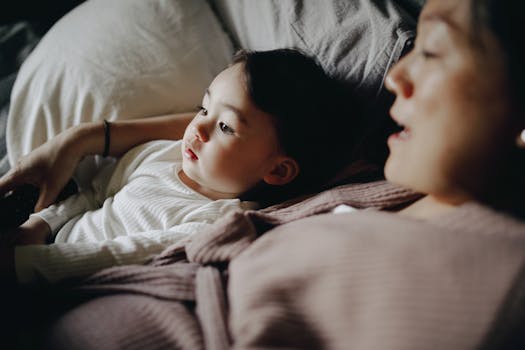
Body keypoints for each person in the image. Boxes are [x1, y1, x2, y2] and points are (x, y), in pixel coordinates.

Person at [0, 48, 360, 286]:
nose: (197, 127)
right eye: (204, 109)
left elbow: (118, 256)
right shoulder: (160, 153)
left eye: (225, 127)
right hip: (37, 247)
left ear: (278, 171)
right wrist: (41, 223)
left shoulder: (219, 220)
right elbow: (94, 194)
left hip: (54, 280)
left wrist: (27, 265)